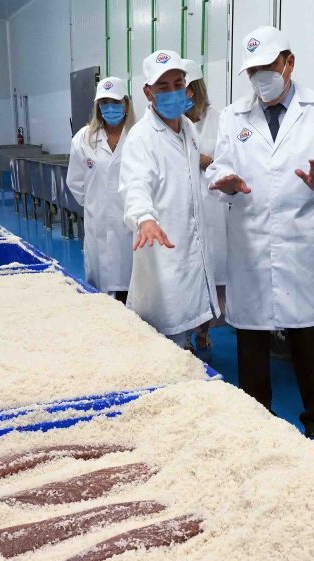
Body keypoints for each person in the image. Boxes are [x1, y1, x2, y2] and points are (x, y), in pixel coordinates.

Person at [207, 26, 314, 444]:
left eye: (268, 67)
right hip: (251, 241)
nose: (260, 78)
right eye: (252, 71)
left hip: (302, 240)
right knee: (251, 339)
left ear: (289, 63)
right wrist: (225, 181)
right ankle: (258, 422)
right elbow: (218, 166)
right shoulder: (233, 116)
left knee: (309, 337)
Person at [119, 49, 218, 347]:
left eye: (178, 84)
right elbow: (135, 185)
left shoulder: (188, 129)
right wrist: (144, 218)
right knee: (165, 335)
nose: (173, 92)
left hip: (191, 244)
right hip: (162, 246)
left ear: (187, 87)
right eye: (163, 87)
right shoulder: (142, 137)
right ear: (148, 92)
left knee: (190, 316)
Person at [66, 76, 135, 300]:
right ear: (98, 107)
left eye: (115, 102)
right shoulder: (84, 139)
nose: (109, 108)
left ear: (126, 104)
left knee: (133, 289)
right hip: (98, 225)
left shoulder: (138, 136)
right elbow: (75, 182)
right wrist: (98, 205)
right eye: (104, 103)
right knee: (100, 291)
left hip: (132, 226)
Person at [182, 58, 228, 351]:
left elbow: (231, 161)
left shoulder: (220, 120)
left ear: (197, 89)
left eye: (188, 89)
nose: (185, 96)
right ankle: (185, 335)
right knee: (187, 275)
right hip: (182, 209)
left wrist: (206, 161)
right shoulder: (173, 123)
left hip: (213, 209)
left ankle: (204, 330)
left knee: (212, 275)